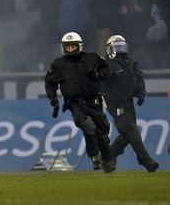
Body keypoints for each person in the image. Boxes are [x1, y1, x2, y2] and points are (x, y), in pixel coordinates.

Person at [45, 32, 114, 173]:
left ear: (79, 46)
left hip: (94, 101)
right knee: (87, 126)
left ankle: (108, 161)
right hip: (74, 103)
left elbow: (106, 69)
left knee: (102, 132)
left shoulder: (92, 58)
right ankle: (95, 157)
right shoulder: (58, 64)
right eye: (67, 47)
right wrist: (53, 99)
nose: (70, 49)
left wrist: (101, 74)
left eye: (73, 46)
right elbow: (50, 82)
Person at [101, 35, 159, 172]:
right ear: (109, 49)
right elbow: (100, 79)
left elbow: (139, 77)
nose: (120, 50)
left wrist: (141, 93)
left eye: (122, 47)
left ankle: (108, 156)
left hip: (128, 103)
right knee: (131, 129)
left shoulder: (130, 63)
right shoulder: (105, 64)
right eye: (116, 47)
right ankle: (147, 161)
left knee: (127, 135)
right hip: (115, 104)